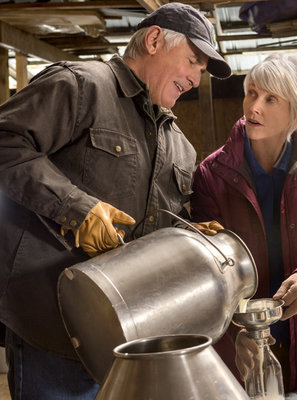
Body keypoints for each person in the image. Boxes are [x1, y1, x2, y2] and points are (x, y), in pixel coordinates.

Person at [0, 3, 230, 399]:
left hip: (130, 343)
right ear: (155, 39)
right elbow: (5, 143)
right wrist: (76, 208)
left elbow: (151, 227)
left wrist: (188, 238)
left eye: (201, 71)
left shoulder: (180, 148)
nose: (196, 78)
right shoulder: (80, 86)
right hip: (54, 334)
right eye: (193, 61)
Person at [190, 53, 297, 392]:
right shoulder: (211, 174)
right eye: (251, 93)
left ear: (295, 111)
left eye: (270, 99)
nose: (254, 107)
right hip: (240, 349)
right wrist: (233, 335)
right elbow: (204, 269)